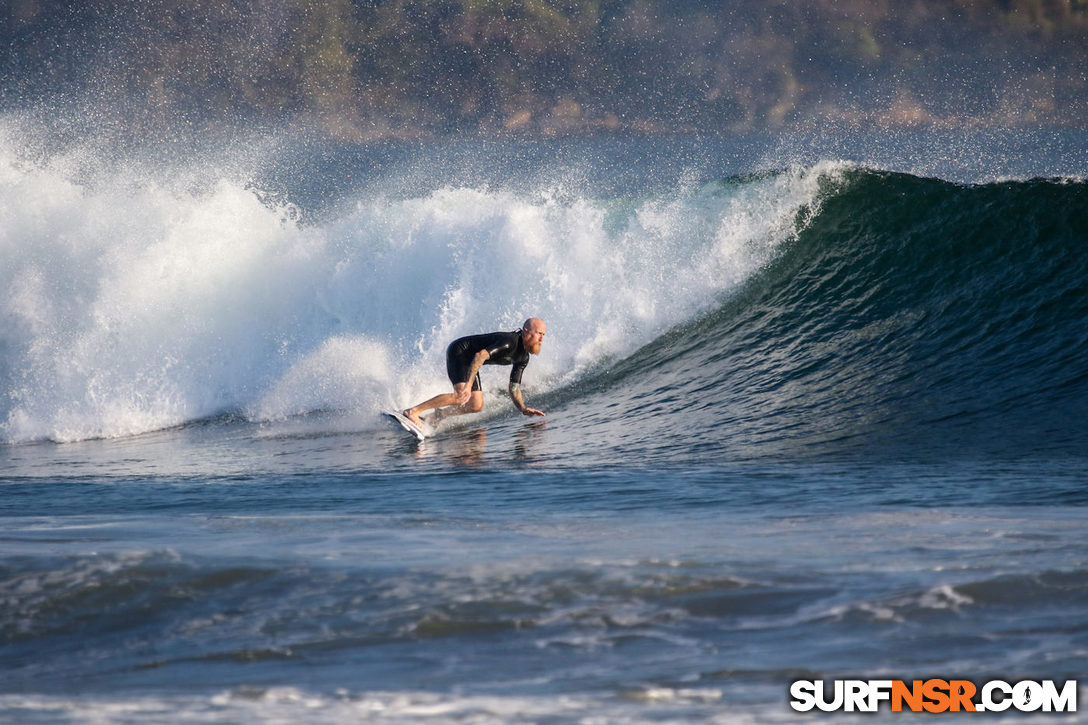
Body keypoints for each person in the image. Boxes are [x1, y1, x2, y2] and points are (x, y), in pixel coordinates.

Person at [403, 318, 547, 429]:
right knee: (461, 396)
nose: (541, 338)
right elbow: (480, 356)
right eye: (539, 333)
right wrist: (468, 386)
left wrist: (522, 408)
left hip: (471, 360)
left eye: (543, 335)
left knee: (476, 405)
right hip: (460, 351)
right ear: (526, 331)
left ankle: (438, 415)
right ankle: (413, 411)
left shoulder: (523, 357)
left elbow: (514, 388)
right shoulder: (509, 342)